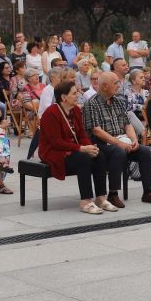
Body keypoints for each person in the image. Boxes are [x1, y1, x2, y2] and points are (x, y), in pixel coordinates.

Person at [83, 71, 151, 206]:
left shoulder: (119, 101)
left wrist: (134, 140)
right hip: (101, 144)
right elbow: (97, 131)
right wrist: (119, 143)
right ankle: (113, 194)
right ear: (104, 86)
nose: (119, 85)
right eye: (115, 83)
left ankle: (148, 192)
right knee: (118, 151)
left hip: (121, 140)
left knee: (144, 151)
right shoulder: (91, 104)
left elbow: (127, 124)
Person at [36, 80, 112, 214]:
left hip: (72, 148)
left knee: (99, 155)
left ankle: (101, 197)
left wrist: (89, 146)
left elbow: (81, 134)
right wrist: (82, 149)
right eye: (74, 93)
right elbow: (56, 143)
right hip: (53, 152)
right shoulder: (50, 113)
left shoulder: (76, 110)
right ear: (63, 97)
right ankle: (86, 201)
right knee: (84, 158)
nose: (78, 95)